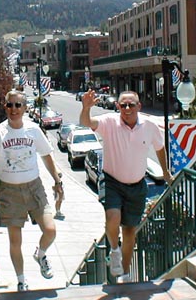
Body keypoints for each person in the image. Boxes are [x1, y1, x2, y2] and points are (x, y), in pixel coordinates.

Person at [0, 89, 63, 292]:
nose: (13, 109)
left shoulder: (33, 130)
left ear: (24, 108)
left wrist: (56, 180)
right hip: (10, 192)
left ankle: (41, 254)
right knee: (15, 241)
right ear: (5, 107)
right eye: (10, 105)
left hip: (34, 187)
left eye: (18, 105)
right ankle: (21, 280)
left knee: (50, 230)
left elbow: (47, 155)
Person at [80, 89, 174, 282]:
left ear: (139, 106)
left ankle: (124, 273)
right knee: (112, 215)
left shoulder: (149, 126)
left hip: (137, 185)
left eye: (131, 104)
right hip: (112, 181)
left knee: (130, 230)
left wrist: (165, 172)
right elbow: (86, 123)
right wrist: (86, 108)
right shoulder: (109, 122)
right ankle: (114, 251)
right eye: (123, 105)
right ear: (118, 107)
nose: (127, 108)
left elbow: (160, 147)